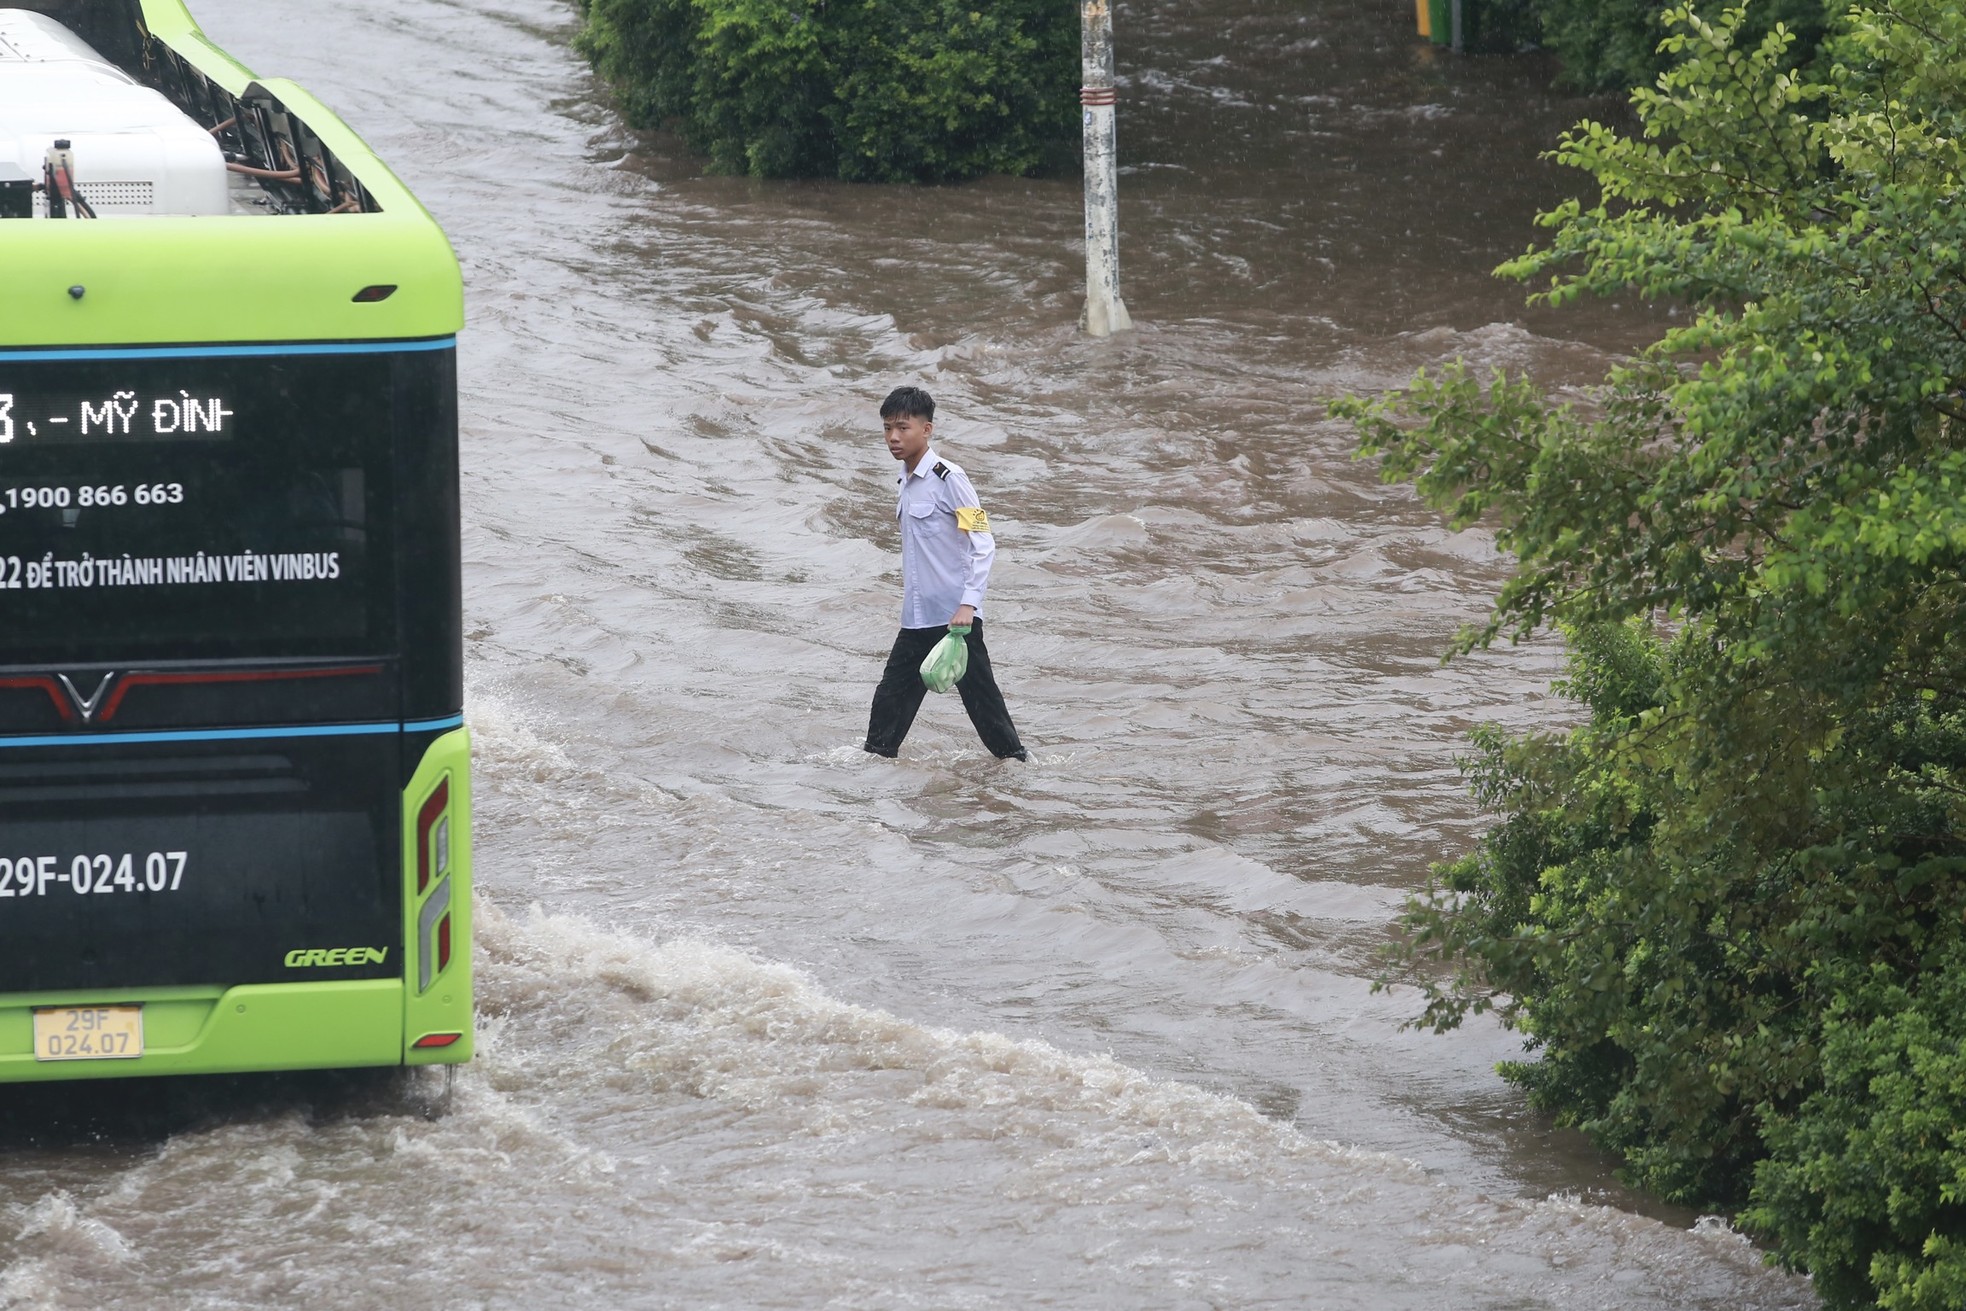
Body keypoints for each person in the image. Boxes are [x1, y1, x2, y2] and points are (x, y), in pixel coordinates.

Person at [863, 386, 1027, 761]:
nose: (893, 437)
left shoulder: (950, 478)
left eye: (903, 427)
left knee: (983, 704)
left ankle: (1018, 768)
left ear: (927, 429)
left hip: (957, 621)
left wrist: (969, 604)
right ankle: (872, 774)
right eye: (888, 428)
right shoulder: (904, 481)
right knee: (889, 700)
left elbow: (983, 541)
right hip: (917, 618)